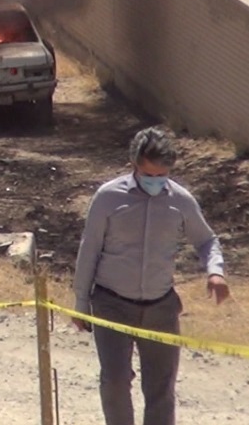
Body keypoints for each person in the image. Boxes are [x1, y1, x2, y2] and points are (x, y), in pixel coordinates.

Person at [72, 126, 229, 425]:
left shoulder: (180, 201)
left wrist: (215, 272)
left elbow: (207, 240)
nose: (155, 181)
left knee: (161, 388)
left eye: (162, 175)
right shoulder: (107, 198)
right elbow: (89, 248)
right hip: (111, 305)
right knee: (115, 382)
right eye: (149, 174)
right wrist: (81, 303)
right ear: (134, 166)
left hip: (160, 307)